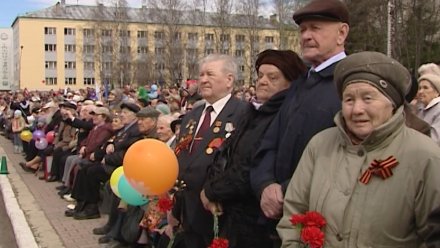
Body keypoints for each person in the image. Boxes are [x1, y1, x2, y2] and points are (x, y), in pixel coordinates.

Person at [277, 51, 440, 247]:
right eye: (349, 100)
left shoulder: (424, 155)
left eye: (368, 98)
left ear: (392, 103)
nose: (356, 109)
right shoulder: (320, 145)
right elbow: (294, 213)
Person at [250, 0, 349, 243]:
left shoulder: (348, 83)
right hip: (276, 218)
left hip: (321, 220)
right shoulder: (300, 84)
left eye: (315, 28)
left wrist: (285, 190)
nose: (306, 36)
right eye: (303, 30)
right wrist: (265, 184)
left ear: (342, 33)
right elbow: (269, 143)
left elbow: (344, 157)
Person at [200, 49, 307, 247]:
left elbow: (249, 169)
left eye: (272, 77)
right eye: (260, 75)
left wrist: (212, 191)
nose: (263, 81)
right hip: (233, 217)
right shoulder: (252, 112)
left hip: (257, 225)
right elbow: (225, 154)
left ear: (290, 83)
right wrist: (210, 187)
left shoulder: (285, 117)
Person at [168, 54, 247, 248]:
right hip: (188, 209)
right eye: (201, 74)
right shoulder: (192, 115)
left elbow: (240, 163)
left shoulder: (244, 114)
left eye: (210, 74)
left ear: (229, 80)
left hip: (219, 211)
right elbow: (183, 157)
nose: (203, 80)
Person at [416, 73, 440, 145]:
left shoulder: (438, 110)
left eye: (425, 88)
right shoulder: (421, 108)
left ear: (437, 92)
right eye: (419, 88)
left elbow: (434, 139)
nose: (420, 92)